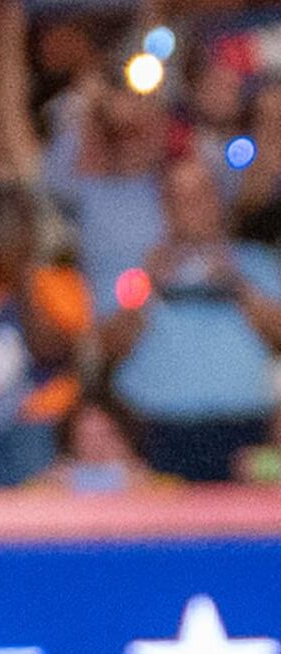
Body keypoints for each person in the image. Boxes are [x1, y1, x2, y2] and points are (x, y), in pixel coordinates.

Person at [98, 149, 281, 482]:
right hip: (157, 434)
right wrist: (148, 283)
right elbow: (107, 347)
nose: (191, 208)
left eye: (201, 195)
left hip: (245, 435)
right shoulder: (134, 273)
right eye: (179, 198)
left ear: (218, 200)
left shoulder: (257, 264)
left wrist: (237, 285)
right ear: (164, 207)